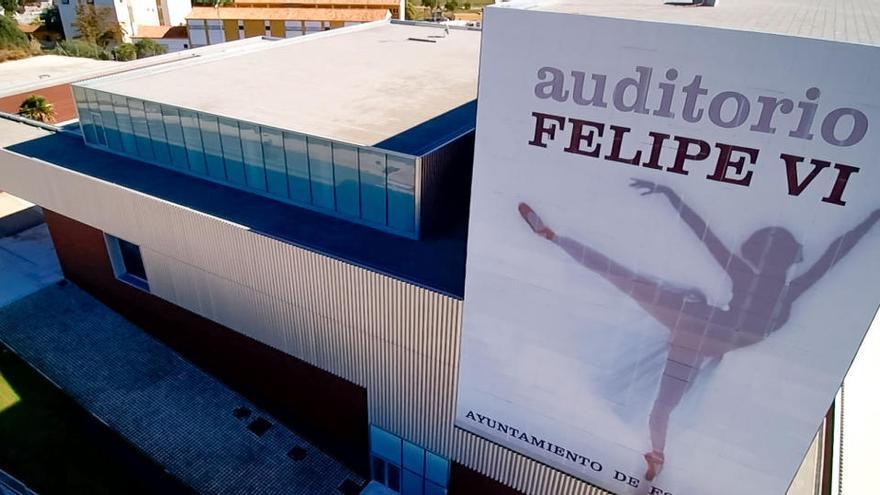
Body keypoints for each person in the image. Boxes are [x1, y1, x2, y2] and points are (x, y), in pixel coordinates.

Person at [518, 179, 880, 482]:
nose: (772, 264)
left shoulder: (781, 288)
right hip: (698, 329)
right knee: (624, 279)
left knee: (660, 400)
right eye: (770, 257)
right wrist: (671, 196)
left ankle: (657, 456)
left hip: (700, 334)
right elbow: (705, 236)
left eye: (776, 258)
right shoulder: (762, 281)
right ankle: (551, 237)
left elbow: (837, 249)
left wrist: (871, 218)